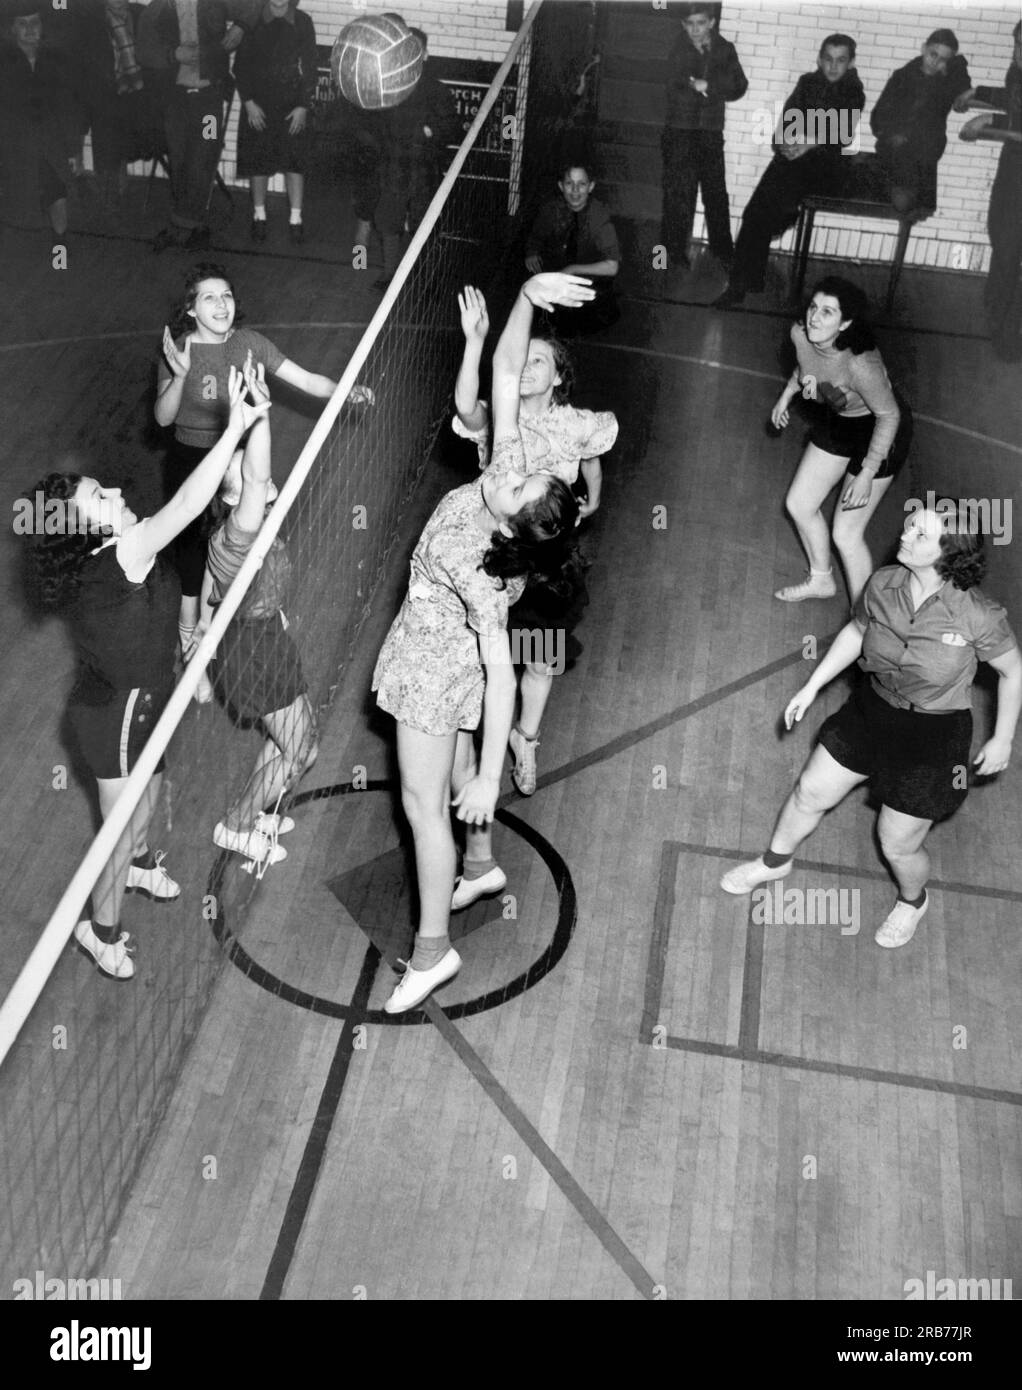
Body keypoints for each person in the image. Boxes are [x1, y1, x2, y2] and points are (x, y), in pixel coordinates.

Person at [371, 271, 595, 1014]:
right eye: (520, 472)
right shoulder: (505, 482)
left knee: (422, 806)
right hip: (444, 660)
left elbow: (503, 679)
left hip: (435, 677)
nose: (511, 470)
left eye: (520, 485)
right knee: (450, 782)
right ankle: (481, 863)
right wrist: (526, 295)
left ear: (513, 523)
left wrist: (494, 778)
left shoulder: (481, 569)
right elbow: (503, 372)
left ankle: (433, 951)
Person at [25, 367, 269, 980]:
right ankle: (99, 930)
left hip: (143, 702)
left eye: (102, 487)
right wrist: (236, 426)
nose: (112, 492)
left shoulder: (111, 552)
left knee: (154, 791)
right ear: (88, 532)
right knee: (119, 827)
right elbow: (189, 505)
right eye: (98, 500)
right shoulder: (121, 557)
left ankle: (138, 862)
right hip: (115, 719)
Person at [721, 505, 1021, 948]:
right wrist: (812, 686)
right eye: (912, 524)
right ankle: (775, 861)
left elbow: (1013, 671)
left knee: (896, 844)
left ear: (946, 554)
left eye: (921, 534)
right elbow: (857, 632)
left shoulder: (979, 615)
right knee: (810, 791)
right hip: (872, 711)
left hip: (931, 739)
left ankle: (912, 901)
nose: (906, 533)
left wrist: (1003, 738)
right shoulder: (884, 583)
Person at [155, 262, 370, 701]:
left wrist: (346, 391)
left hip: (238, 460)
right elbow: (162, 417)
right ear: (191, 309)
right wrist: (178, 377)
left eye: (227, 295)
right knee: (194, 569)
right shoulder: (178, 351)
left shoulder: (250, 343)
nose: (221, 304)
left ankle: (226, 629)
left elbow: (307, 379)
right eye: (209, 297)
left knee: (243, 554)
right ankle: (192, 650)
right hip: (193, 463)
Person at [452, 285, 618, 795]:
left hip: (544, 567)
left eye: (539, 360)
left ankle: (526, 739)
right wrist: (474, 343)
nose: (526, 365)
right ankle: (472, 757)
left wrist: (593, 494)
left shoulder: (575, 425)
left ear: (559, 376)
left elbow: (591, 458)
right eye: (523, 357)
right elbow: (465, 405)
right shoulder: (499, 423)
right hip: (496, 562)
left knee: (539, 659)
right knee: (487, 662)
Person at [191, 359, 318, 869]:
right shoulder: (239, 535)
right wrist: (259, 413)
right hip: (252, 654)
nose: (256, 470)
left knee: (293, 739)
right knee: (302, 749)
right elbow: (258, 473)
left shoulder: (246, 529)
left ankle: (255, 807)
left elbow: (209, 592)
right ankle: (238, 825)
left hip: (265, 639)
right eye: (243, 471)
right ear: (231, 494)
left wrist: (198, 637)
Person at [769, 276, 911, 607]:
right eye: (813, 307)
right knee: (799, 504)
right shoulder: (800, 333)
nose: (814, 318)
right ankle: (821, 580)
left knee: (845, 533)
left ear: (845, 322)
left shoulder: (860, 364)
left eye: (828, 313)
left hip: (880, 429)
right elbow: (807, 366)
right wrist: (785, 397)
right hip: (843, 421)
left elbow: (889, 416)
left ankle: (868, 622)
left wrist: (866, 473)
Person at [714, 34, 864, 309]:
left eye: (840, 60)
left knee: (772, 203)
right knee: (755, 212)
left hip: (827, 170)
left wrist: (807, 142)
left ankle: (782, 216)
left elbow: (841, 132)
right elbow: (788, 118)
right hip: (794, 164)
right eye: (828, 59)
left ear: (851, 63)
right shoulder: (807, 83)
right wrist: (784, 142)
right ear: (819, 59)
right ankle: (742, 284)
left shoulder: (854, 91)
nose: (832, 66)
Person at [137, 0, 259, 253]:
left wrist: (241, 26)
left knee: (204, 155)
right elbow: (143, 53)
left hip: (209, 100)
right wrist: (173, 55)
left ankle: (180, 226)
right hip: (175, 101)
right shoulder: (158, 8)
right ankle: (194, 226)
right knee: (179, 159)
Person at [349, 25, 460, 291]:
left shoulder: (436, 90)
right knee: (387, 222)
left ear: (425, 55)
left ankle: (425, 278)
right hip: (392, 169)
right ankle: (388, 274)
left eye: (416, 51)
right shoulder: (387, 87)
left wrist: (432, 130)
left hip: (425, 169)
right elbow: (368, 125)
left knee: (424, 226)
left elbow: (453, 128)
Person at [659, 1, 747, 274]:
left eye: (700, 23)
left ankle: (723, 250)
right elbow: (672, 85)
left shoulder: (725, 49)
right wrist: (692, 83)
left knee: (715, 193)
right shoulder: (676, 49)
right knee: (679, 195)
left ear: (711, 22)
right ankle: (670, 253)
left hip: (710, 132)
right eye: (689, 24)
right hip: (680, 132)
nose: (695, 30)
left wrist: (710, 85)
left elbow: (739, 87)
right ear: (682, 25)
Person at [956, 20, 1022, 363]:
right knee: (1001, 233)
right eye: (1017, 45)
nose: (1020, 54)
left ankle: (1011, 341)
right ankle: (997, 306)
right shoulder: (1017, 70)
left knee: (1013, 250)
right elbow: (1016, 102)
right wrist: (978, 93)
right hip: (1014, 167)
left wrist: (987, 124)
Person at [234, 0, 317, 246]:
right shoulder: (253, 20)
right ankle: (259, 216)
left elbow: (311, 67)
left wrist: (303, 106)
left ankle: (295, 220)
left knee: (294, 163)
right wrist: (248, 102)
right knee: (258, 163)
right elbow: (241, 66)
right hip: (258, 106)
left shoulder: (303, 22)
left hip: (292, 107)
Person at [862, 29, 971, 214]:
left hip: (925, 151)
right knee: (900, 193)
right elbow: (877, 118)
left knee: (909, 195)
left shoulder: (947, 81)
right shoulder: (902, 77)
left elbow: (963, 89)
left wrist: (956, 66)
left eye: (943, 59)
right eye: (933, 54)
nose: (935, 62)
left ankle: (905, 194)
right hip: (894, 148)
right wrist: (893, 135)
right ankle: (900, 192)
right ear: (923, 49)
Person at [0, 9, 82, 235]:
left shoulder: (55, 59)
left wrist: (74, 149)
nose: (29, 29)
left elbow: (68, 107)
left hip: (51, 143)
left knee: (58, 192)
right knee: (20, 204)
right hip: (14, 145)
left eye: (34, 22)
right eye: (22, 23)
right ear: (12, 28)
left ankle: (60, 247)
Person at [524, 161, 621, 334]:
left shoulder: (599, 217)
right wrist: (531, 252)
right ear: (561, 186)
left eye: (582, 184)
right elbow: (536, 236)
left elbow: (612, 266)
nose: (575, 191)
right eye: (569, 183)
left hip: (589, 282)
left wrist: (573, 269)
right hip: (556, 276)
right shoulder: (550, 210)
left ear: (591, 187)